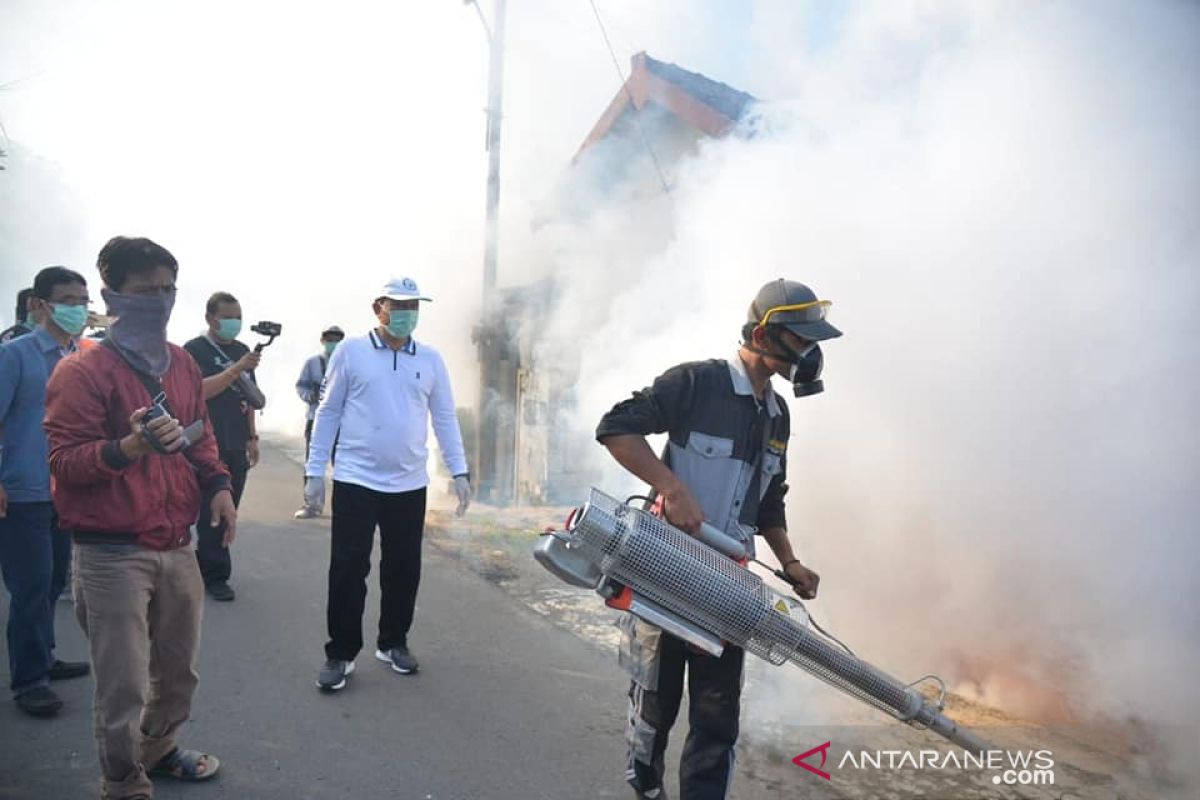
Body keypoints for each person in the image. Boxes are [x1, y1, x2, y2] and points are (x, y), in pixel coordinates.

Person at [594, 279, 839, 800]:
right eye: (801, 339)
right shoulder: (696, 384)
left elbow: (769, 500)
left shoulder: (777, 415)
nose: (809, 352)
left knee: (717, 719)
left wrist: (790, 561)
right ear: (765, 332)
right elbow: (616, 428)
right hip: (664, 572)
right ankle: (647, 789)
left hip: (727, 586)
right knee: (654, 708)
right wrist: (672, 487)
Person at [44, 236, 233, 799]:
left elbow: (200, 436)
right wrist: (127, 447)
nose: (161, 300)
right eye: (146, 290)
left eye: (168, 289)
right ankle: (124, 783)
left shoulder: (180, 364)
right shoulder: (82, 372)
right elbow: (63, 462)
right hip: (111, 553)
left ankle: (160, 750)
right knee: (123, 687)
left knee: (178, 675)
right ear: (113, 295)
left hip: (177, 543)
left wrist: (219, 485)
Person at [305, 277, 472, 691]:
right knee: (348, 568)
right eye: (398, 305)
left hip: (408, 483)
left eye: (414, 305)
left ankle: (393, 642)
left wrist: (460, 469)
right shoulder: (351, 352)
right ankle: (340, 654)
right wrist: (314, 472)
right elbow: (327, 413)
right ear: (378, 307)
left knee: (403, 569)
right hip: (355, 478)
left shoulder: (430, 359)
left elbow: (445, 418)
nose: (406, 313)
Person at [0, 267, 92, 718]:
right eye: (67, 300)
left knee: (55, 580)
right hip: (22, 491)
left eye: (83, 300)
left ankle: (45, 656)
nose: (78, 308)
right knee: (31, 585)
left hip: (65, 491)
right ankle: (29, 680)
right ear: (39, 305)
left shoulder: (81, 357)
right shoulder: (14, 356)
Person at [183, 292, 262, 602]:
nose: (234, 323)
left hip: (236, 441)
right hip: (205, 442)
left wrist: (252, 437)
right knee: (209, 510)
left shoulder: (243, 350)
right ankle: (215, 574)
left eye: (238, 316)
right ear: (210, 319)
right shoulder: (194, 350)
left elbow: (250, 396)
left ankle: (205, 564)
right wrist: (235, 369)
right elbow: (197, 392)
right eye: (227, 317)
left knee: (229, 509)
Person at [293, 324, 344, 518]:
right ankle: (312, 504)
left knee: (343, 464)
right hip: (316, 419)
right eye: (330, 339)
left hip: (342, 422)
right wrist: (311, 397)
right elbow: (301, 386)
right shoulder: (312, 363)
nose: (334, 343)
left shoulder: (348, 362)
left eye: (338, 340)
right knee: (313, 462)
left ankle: (344, 506)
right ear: (323, 341)